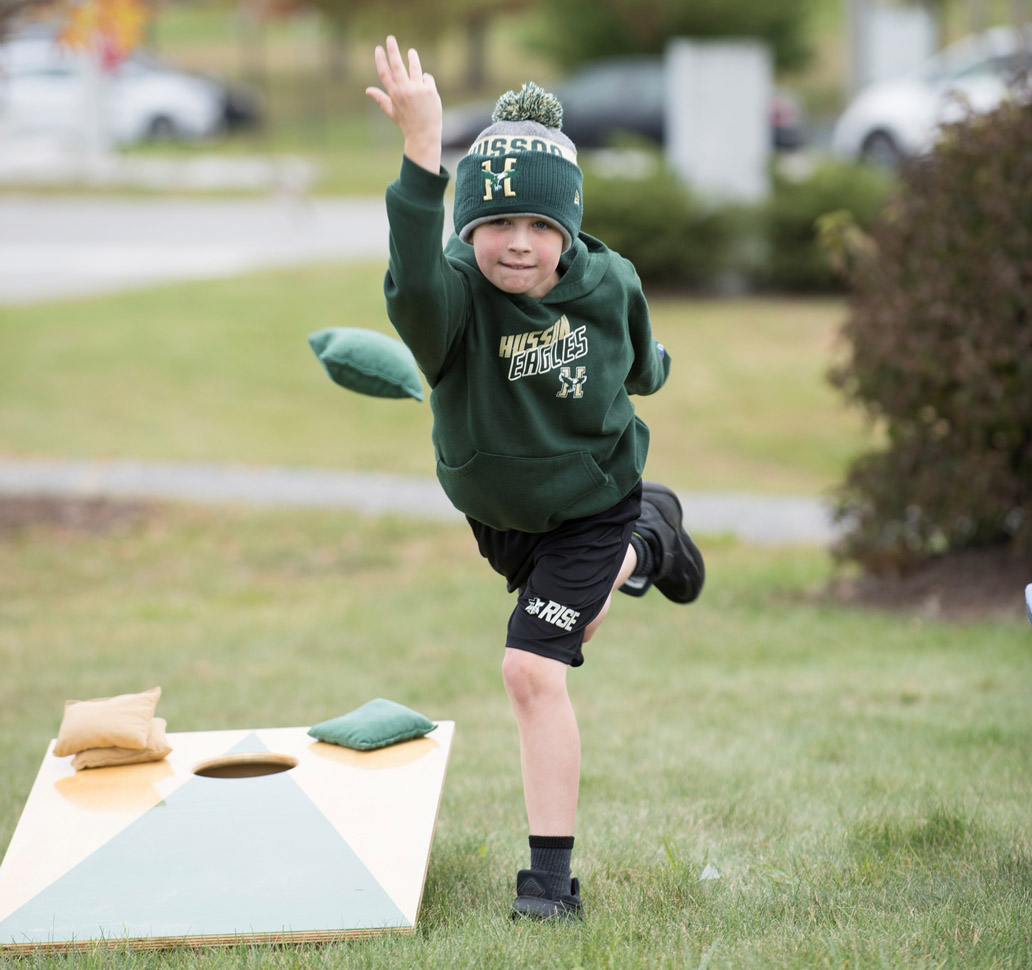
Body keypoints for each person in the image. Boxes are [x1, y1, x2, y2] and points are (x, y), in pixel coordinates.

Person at [366, 36, 705, 921]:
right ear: (469, 227)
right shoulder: (450, 299)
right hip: (503, 519)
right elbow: (408, 288)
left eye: (541, 226)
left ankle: (550, 889)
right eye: (496, 224)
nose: (518, 245)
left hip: (593, 498)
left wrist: (655, 366)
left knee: (531, 668)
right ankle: (653, 544)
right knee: (574, 621)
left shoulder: (608, 282)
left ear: (569, 230)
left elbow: (641, 367)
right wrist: (421, 151)